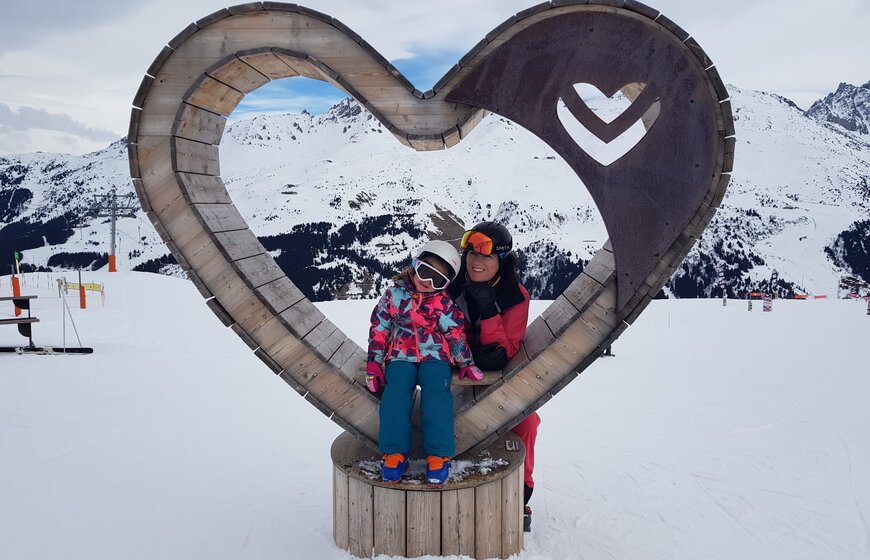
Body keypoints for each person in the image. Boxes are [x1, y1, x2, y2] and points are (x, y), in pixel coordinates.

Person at [366, 240, 484, 486]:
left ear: (445, 285)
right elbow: (380, 329)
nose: (428, 283)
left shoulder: (441, 302)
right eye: (425, 272)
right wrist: (375, 363)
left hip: (436, 357)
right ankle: (394, 452)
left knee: (437, 396)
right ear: (414, 265)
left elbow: (454, 333)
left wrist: (465, 361)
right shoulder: (393, 296)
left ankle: (438, 455)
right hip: (400, 355)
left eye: (437, 281)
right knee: (395, 394)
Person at [447, 221, 540, 532]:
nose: (476, 261)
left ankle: (521, 494)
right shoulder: (452, 285)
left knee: (526, 422)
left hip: (495, 376)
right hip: (453, 374)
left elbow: (503, 353)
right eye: (471, 252)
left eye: (485, 255)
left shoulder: (515, 296)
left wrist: (488, 311)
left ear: (502, 258)